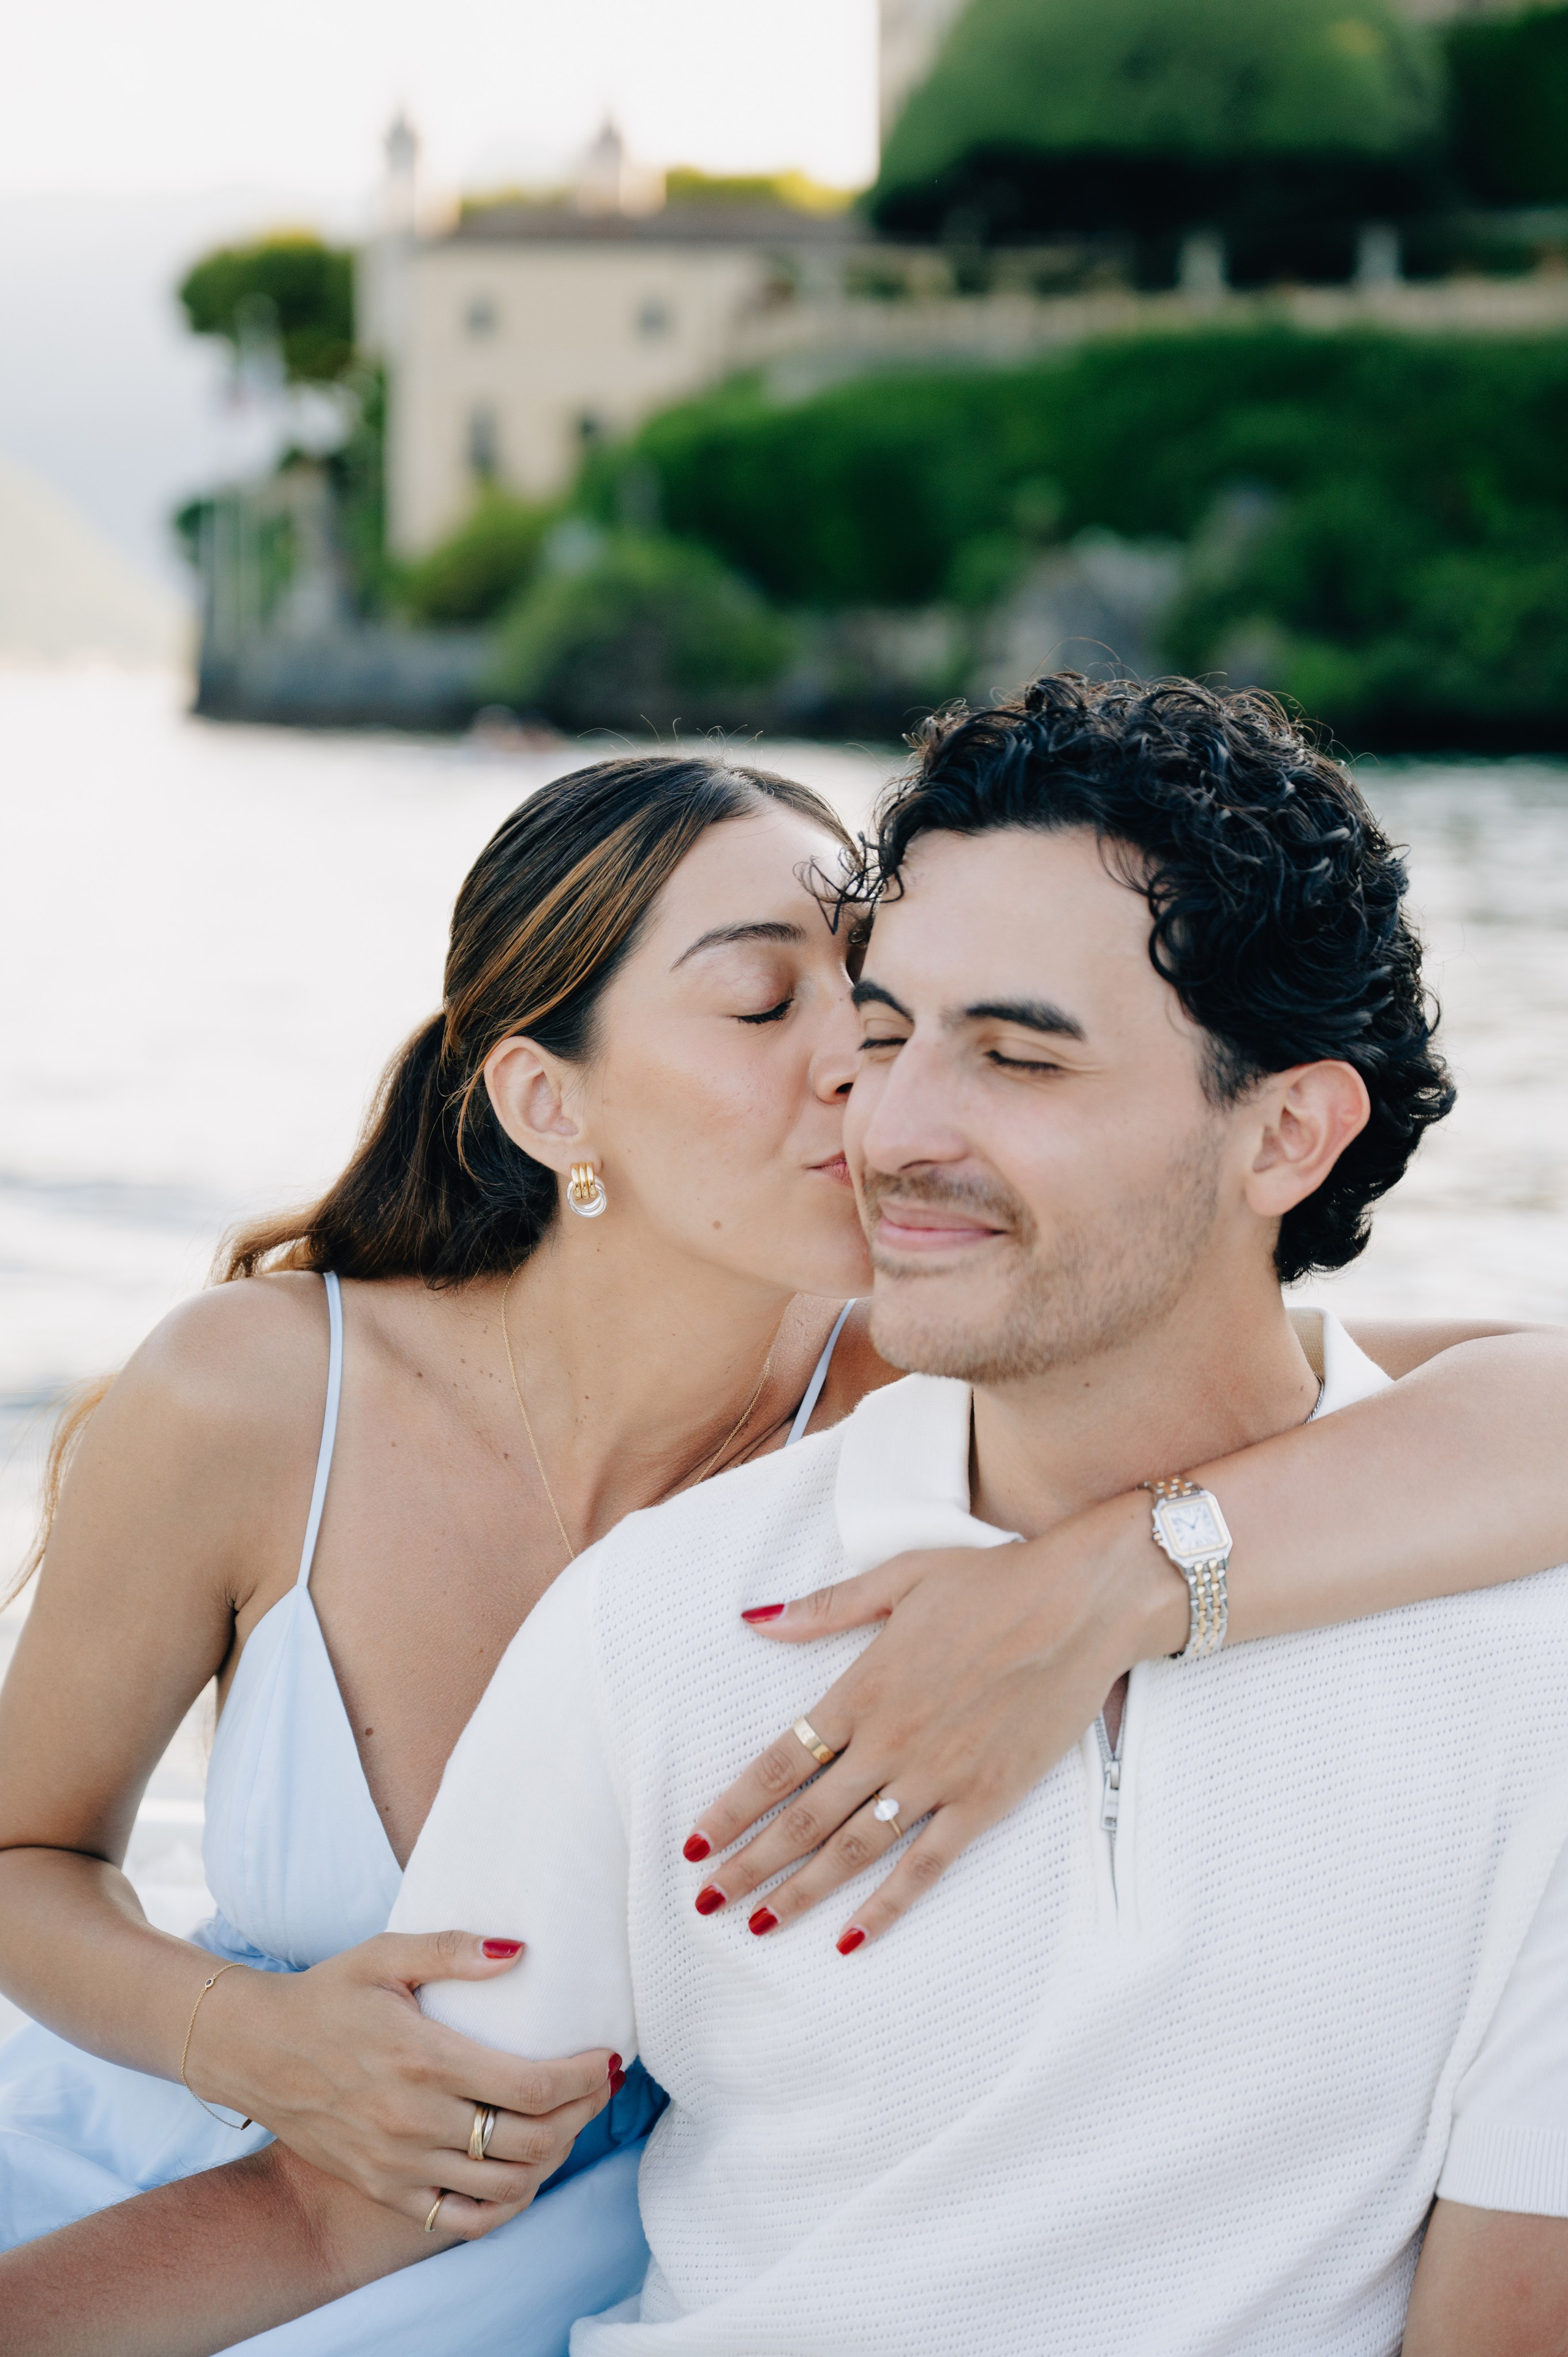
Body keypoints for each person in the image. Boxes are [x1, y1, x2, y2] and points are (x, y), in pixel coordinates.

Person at [2, 711, 1567, 2356]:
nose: (866, 1086)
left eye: (895, 1008)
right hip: (263, 2144)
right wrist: (237, 2038)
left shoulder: (954, 1338)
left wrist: (1115, 1583)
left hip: (587, 2233)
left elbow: (1440, 1391)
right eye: (788, 1007)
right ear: (547, 1102)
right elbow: (299, 2163)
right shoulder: (349, 1436)